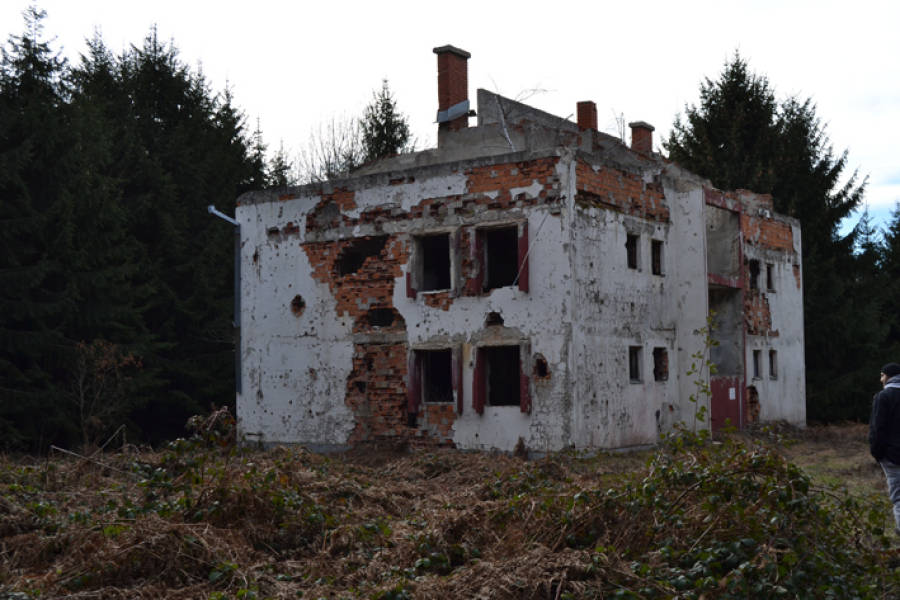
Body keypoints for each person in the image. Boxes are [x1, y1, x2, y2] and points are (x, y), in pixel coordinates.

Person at [869, 362, 900, 534]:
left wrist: (877, 453)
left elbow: (877, 428)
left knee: (899, 496)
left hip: (893, 456)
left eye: (882, 375)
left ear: (889, 376)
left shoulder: (884, 397)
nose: (881, 379)